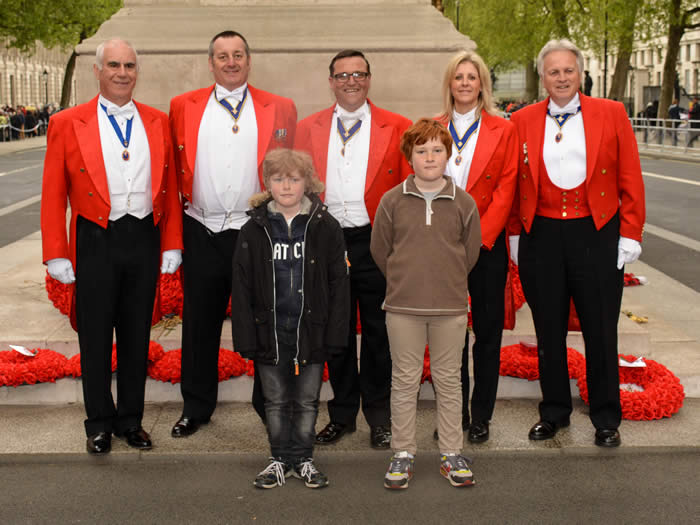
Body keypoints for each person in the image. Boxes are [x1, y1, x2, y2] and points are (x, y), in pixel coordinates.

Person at [40, 38, 183, 455]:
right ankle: (99, 422)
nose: (123, 72)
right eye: (114, 65)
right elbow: (53, 195)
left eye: (130, 66)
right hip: (94, 236)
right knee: (97, 336)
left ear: (137, 71)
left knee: (137, 334)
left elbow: (171, 188)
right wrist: (56, 252)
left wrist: (171, 244)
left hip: (143, 236)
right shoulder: (67, 122)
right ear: (98, 71)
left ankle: (131, 420)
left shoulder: (158, 120)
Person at [508, 39, 645, 448]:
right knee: (548, 329)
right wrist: (516, 234)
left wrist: (630, 233)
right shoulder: (522, 119)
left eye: (569, 70)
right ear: (543, 76)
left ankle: (606, 417)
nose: (562, 77)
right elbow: (515, 182)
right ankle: (553, 413)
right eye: (554, 71)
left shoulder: (612, 112)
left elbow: (630, 176)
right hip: (541, 236)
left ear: (580, 73)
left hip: (596, 233)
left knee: (601, 329)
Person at [168, 30, 297, 438]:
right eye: (222, 55)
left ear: (248, 59)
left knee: (264, 321)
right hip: (201, 227)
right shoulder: (181, 107)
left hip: (254, 230)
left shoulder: (280, 108)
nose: (231, 62)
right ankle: (196, 406)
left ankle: (268, 404)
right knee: (199, 323)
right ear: (210, 62)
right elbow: (172, 172)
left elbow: (292, 172)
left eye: (238, 54)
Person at [295, 50, 412, 449]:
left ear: (368, 79)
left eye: (358, 74)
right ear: (331, 81)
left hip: (376, 241)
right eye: (342, 75)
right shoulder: (307, 127)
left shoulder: (397, 126)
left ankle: (379, 416)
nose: (350, 81)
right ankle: (342, 414)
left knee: (380, 333)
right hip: (327, 242)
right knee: (336, 331)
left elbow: (410, 190)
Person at [371, 118, 481, 489]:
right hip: (403, 307)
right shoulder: (392, 201)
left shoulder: (463, 202)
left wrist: (445, 281)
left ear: (448, 155)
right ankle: (403, 453)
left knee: (450, 381)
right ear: (410, 157)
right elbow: (380, 250)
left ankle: (451, 453)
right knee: (404, 381)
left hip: (450, 308)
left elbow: (470, 253)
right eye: (422, 151)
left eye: (437, 150)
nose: (430, 157)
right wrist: (406, 280)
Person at [232, 148, 350, 489]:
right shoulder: (253, 230)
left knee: (307, 399)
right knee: (276, 400)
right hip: (270, 330)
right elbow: (241, 287)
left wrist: (335, 332)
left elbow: (339, 284)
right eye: (278, 178)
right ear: (268, 183)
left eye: (294, 179)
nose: (286, 186)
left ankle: (304, 458)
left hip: (310, 330)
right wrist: (246, 335)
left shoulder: (325, 226)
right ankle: (279, 458)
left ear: (307, 183)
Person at [435, 50, 518, 443]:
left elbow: (506, 189)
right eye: (458, 77)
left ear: (482, 83)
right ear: (449, 84)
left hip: (486, 247)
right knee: (447, 336)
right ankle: (451, 415)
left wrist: (481, 239)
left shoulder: (504, 130)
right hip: (440, 247)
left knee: (486, 334)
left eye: (472, 77)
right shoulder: (431, 128)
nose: (465, 83)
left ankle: (481, 415)